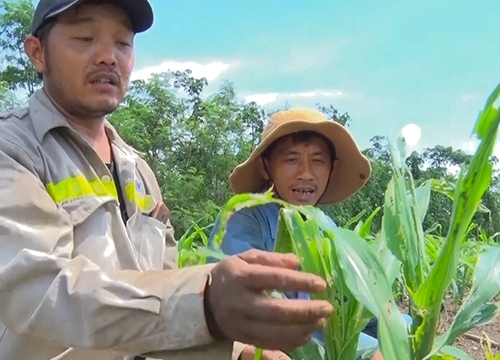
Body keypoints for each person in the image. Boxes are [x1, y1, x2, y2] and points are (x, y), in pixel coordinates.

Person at [0, 1, 335, 360]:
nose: (107, 57)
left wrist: (242, 350)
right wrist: (204, 303)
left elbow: (160, 295)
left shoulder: (138, 172)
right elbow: (37, 289)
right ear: (37, 53)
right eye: (85, 37)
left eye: (122, 43)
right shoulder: (14, 149)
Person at [207, 108, 408, 360]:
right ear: (265, 167)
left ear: (331, 169)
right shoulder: (246, 219)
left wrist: (394, 337)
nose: (306, 173)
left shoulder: (330, 231)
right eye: (291, 159)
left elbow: (359, 306)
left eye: (318, 160)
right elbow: (223, 306)